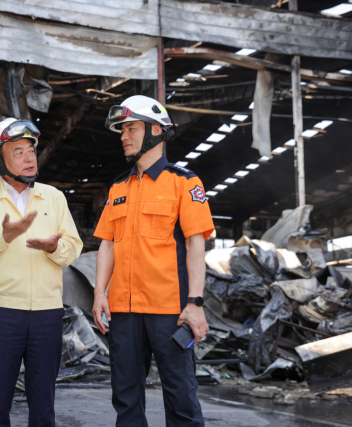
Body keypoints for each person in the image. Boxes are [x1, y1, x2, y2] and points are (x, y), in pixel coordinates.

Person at [92, 95, 215, 427]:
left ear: (156, 131)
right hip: (124, 312)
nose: (123, 136)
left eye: (131, 128)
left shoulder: (184, 183)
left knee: (181, 396)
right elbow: (106, 244)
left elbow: (195, 246)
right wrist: (99, 293)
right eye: (122, 130)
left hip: (169, 311)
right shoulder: (118, 187)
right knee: (126, 397)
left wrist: (195, 303)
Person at [0, 118, 83, 427]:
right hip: (0, 313)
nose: (29, 158)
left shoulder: (53, 197)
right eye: (19, 152)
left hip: (47, 313)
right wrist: (5, 237)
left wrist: (55, 248)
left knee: (44, 404)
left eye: (31, 151)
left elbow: (73, 246)